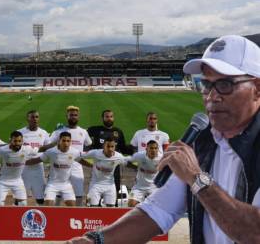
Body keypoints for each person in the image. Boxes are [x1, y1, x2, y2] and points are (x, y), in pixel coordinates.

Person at [66, 35, 260, 244]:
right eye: (205, 84)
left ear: (257, 88)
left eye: (224, 84)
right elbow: (159, 210)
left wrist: (197, 179)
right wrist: (97, 240)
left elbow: (254, 233)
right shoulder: (201, 142)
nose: (212, 96)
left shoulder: (197, 161)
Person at [49, 105, 92, 206]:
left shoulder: (83, 132)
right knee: (57, 195)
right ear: (67, 116)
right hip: (60, 167)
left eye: (75, 115)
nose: (73, 117)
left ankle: (78, 215)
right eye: (71, 115)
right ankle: (54, 216)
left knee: (79, 194)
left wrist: (81, 154)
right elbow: (49, 144)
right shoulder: (59, 131)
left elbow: (89, 145)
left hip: (77, 167)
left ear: (78, 116)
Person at [87, 109, 131, 206]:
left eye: (111, 116)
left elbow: (123, 148)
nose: (109, 118)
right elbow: (84, 138)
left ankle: (112, 209)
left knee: (114, 190)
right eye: (107, 116)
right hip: (99, 166)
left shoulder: (118, 132)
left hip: (113, 166)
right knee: (95, 194)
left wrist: (135, 149)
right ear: (102, 118)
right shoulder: (95, 130)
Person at [26, 132, 80, 207]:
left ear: (70, 142)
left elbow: (81, 160)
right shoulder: (51, 152)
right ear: (59, 141)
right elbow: (37, 160)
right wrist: (22, 162)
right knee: (48, 207)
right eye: (63, 141)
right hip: (52, 184)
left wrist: (91, 165)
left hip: (66, 185)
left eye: (68, 141)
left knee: (73, 208)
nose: (66, 143)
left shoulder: (75, 152)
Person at [80, 137, 129, 207]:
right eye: (108, 146)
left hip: (110, 185)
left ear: (115, 147)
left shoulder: (119, 157)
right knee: (92, 207)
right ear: (103, 146)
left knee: (111, 208)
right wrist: (88, 165)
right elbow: (79, 156)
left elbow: (128, 163)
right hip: (95, 184)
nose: (110, 149)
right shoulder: (95, 153)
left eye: (112, 146)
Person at [0, 131, 38, 206]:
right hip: (3, 181)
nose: (17, 143)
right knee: (0, 204)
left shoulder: (27, 149)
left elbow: (41, 149)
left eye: (19, 141)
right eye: (15, 141)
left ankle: (15, 206)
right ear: (10, 141)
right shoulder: (2, 150)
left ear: (22, 141)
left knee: (23, 204)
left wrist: (55, 145)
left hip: (17, 180)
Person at [18, 110, 50, 206]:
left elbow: (48, 150)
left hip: (38, 169)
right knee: (20, 199)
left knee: (40, 200)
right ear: (27, 119)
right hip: (23, 169)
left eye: (36, 117)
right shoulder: (20, 132)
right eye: (32, 117)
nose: (35, 119)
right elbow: (14, 150)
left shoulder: (44, 133)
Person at [127, 140, 162, 207]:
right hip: (139, 186)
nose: (153, 150)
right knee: (131, 204)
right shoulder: (139, 156)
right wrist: (137, 167)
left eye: (155, 148)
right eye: (151, 148)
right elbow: (128, 163)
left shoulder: (161, 158)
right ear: (146, 149)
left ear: (158, 149)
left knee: (157, 206)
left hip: (153, 187)